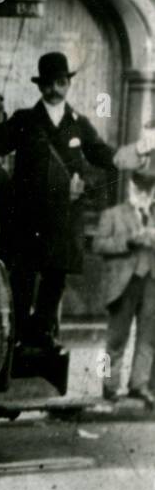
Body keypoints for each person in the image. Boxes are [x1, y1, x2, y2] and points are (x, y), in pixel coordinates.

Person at [0, 52, 153, 351]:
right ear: (39, 86)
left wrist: (90, 183)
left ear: (67, 84)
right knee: (23, 277)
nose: (54, 90)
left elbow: (104, 158)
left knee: (55, 277)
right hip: (28, 216)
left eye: (59, 83)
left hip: (63, 217)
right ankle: (16, 337)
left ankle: (42, 335)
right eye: (47, 84)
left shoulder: (79, 124)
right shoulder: (24, 121)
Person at [92, 162, 155, 409]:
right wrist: (129, 241)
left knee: (149, 338)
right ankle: (108, 386)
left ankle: (139, 386)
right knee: (115, 340)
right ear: (131, 187)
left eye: (149, 189)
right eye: (141, 188)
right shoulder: (113, 214)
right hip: (123, 284)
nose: (145, 194)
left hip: (151, 282)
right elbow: (98, 245)